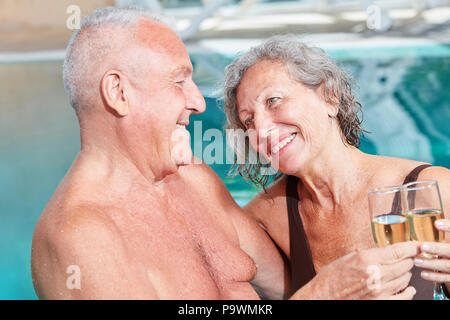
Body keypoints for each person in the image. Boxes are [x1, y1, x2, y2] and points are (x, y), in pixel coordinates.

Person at [31, 7, 419, 300]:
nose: (199, 102)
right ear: (119, 93)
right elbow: (319, 292)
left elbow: (294, 285)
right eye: (180, 80)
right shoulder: (79, 238)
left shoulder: (195, 182)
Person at [223, 35, 450, 300]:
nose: (260, 128)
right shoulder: (264, 219)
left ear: (330, 97)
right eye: (248, 121)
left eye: (273, 100)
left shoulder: (433, 191)